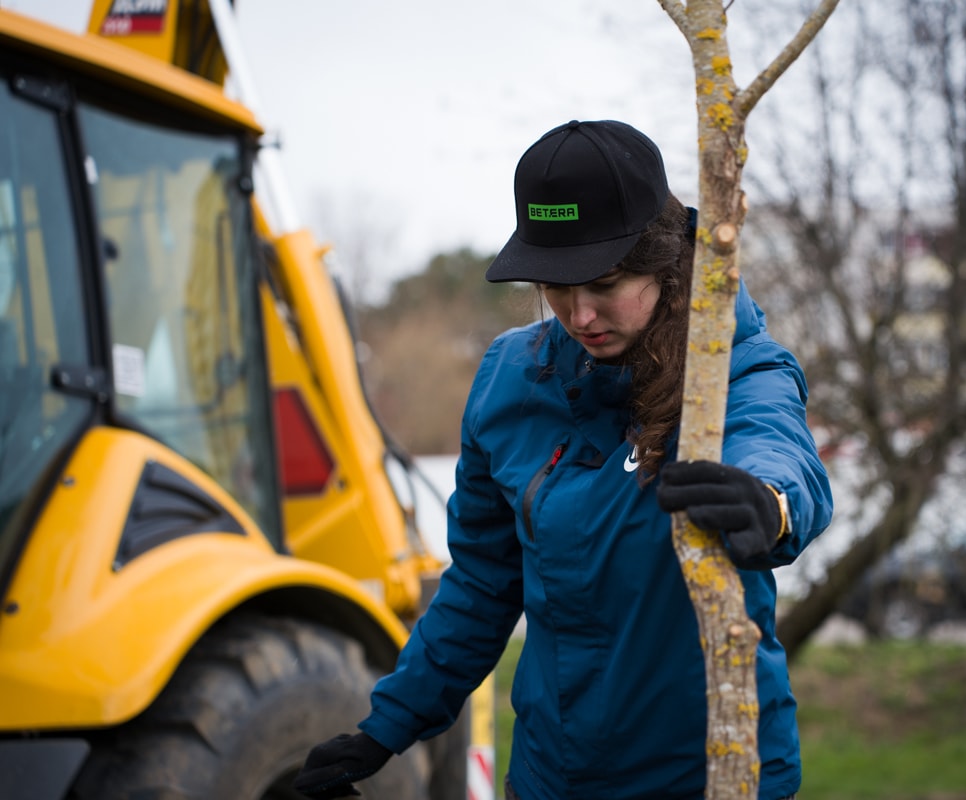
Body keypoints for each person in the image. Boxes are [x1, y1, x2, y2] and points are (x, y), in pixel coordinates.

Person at [293, 119, 833, 800]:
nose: (580, 315)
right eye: (556, 286)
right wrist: (385, 728)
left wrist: (770, 502)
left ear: (665, 262)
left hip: (711, 778)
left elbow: (777, 448)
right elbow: (485, 584)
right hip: (552, 777)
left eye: (605, 284)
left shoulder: (729, 367)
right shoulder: (509, 381)